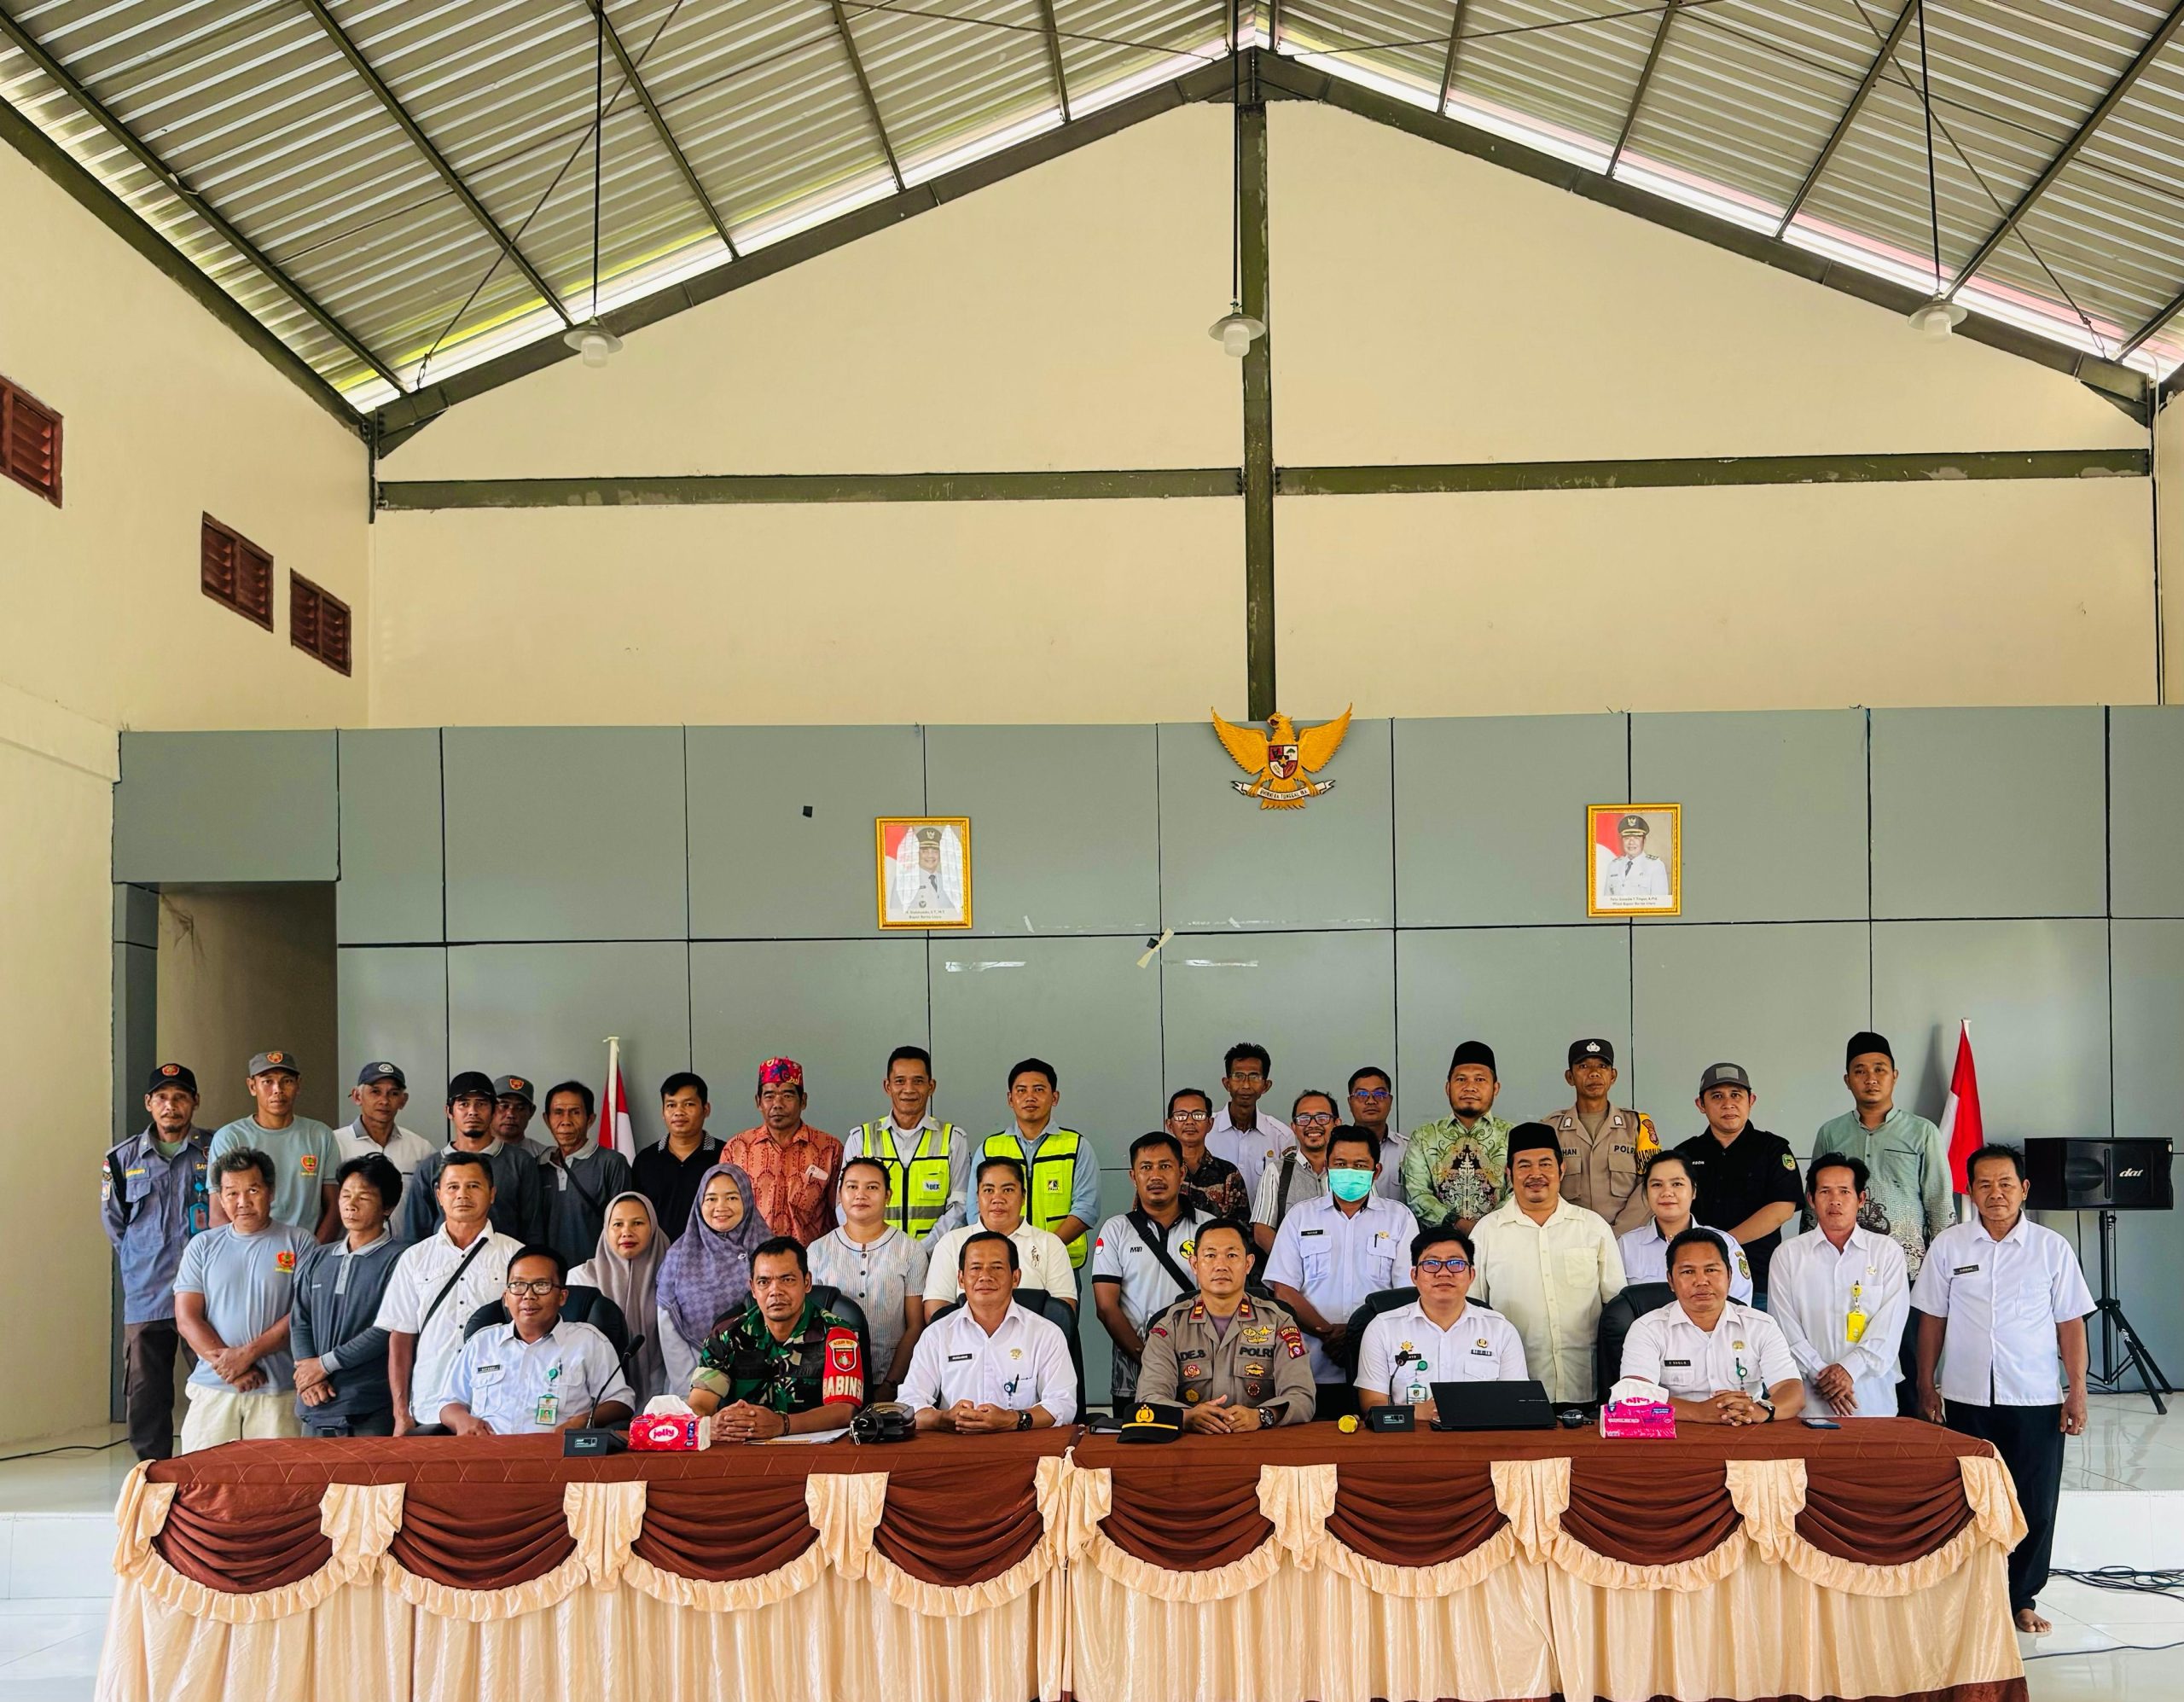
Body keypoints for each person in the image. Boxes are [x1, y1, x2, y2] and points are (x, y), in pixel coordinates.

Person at [1914, 1143, 2094, 1635]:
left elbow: (2070, 1324)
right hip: (1966, 1397)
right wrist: (1926, 1384)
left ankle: (2022, 1598)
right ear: (1970, 1192)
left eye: (2006, 1184)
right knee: (1968, 1501)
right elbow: (1932, 1320)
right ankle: (1970, 1594)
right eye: (1985, 1185)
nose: (1996, 1194)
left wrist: (2077, 1390)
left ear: (2024, 1189)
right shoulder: (1949, 1246)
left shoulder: (2051, 1248)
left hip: (2035, 1398)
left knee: (2035, 1502)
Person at [1815, 1031, 1952, 1414]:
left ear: (1895, 1076)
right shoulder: (1831, 1133)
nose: (1871, 1078)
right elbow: (1816, 1203)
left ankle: (1911, 1439)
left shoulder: (1922, 1132)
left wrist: (1942, 1273)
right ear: (1847, 1080)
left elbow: (1939, 1203)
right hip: (1842, 1270)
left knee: (1908, 1366)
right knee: (1846, 1359)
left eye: (1879, 1069)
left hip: (1909, 1274)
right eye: (1860, 1071)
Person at [1265, 1127, 1419, 1421]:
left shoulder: (1400, 1219)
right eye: (1340, 1164)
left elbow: (1405, 1295)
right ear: (1327, 1167)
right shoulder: (1300, 1217)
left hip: (1380, 1371)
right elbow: (1283, 1289)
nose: (1349, 1171)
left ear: (1376, 1172)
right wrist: (1327, 1332)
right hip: (1310, 1367)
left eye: (1360, 1165)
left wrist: (1356, 1335)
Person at [102, 1062, 213, 1460]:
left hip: (206, 1293)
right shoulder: (121, 1158)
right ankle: (153, 1474)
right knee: (146, 1393)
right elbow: (116, 1225)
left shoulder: (216, 1149)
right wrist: (143, 1260)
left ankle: (213, 1470)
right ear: (148, 1103)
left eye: (180, 1097)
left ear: (195, 1102)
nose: (171, 1105)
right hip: (147, 1295)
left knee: (215, 1387)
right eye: (163, 1097)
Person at [1470, 1123, 1626, 1403]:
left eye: (1545, 1164)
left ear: (1562, 1170)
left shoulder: (1592, 1227)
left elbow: (1616, 1307)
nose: (1536, 1174)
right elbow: (1473, 1310)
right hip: (1513, 1389)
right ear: (1509, 1173)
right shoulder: (1487, 1232)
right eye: (1524, 1166)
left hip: (1587, 1385)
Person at [172, 1149, 315, 1449]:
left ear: (271, 1192)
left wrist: (246, 1355)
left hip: (277, 1391)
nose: (242, 1202)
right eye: (232, 1193)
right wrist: (232, 1370)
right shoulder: (202, 1246)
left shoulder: (300, 1242)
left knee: (276, 1477)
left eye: (253, 1190)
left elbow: (303, 1313)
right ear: (220, 1198)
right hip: (213, 1389)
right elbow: (187, 1318)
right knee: (205, 1475)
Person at [375, 1151, 522, 1436]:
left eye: (473, 1186)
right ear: (439, 1195)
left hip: (498, 1406)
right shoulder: (415, 1258)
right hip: (430, 1404)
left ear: (492, 1194)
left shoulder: (516, 1256)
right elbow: (401, 1338)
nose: (462, 1194)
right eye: (453, 1187)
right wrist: (401, 1413)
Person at [1135, 1218, 1316, 1430]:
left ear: (1248, 1264)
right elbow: (1149, 1397)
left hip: (1259, 1442)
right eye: (1210, 1255)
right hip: (1190, 1443)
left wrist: (1261, 1416)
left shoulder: (1279, 1323)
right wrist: (1187, 1417)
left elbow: (1301, 1397)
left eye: (1232, 1255)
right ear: (1194, 1264)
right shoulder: (1169, 1327)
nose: (1221, 1265)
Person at [1768, 1153, 1908, 1419]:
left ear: (1861, 1199)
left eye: (1844, 1191)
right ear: (1811, 1199)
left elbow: (1890, 1325)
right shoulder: (1788, 1255)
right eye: (1825, 1191)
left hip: (1871, 1399)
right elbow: (1784, 1327)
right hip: (1809, 1400)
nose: (1835, 1200)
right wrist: (1822, 1374)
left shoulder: (1886, 1252)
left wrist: (1849, 1370)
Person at [439, 1246, 636, 1436]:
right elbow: (450, 1402)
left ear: (562, 1297)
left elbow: (621, 1400)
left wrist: (581, 1422)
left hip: (557, 1452)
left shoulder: (588, 1342)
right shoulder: (481, 1343)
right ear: (506, 1297)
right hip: (488, 1451)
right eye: (518, 1285)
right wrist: (462, 1420)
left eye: (541, 1286)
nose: (529, 1295)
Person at [1620, 1227, 1805, 1425]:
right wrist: (1698, 1411)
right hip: (1676, 1434)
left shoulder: (1761, 1326)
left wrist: (1761, 1411)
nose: (1701, 1281)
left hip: (1745, 1431)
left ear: (1729, 1276)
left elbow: (1791, 1389)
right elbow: (1633, 1396)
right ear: (1671, 1281)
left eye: (1711, 1270)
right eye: (1688, 1271)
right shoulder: (1648, 1329)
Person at [688, 1237, 865, 1438]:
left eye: (787, 1280)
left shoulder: (837, 1334)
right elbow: (699, 1403)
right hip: (742, 1447)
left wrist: (783, 1424)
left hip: (814, 1449)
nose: (775, 1291)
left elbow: (844, 1411)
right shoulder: (726, 1335)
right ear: (753, 1289)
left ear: (807, 1282)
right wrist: (709, 1424)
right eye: (764, 1282)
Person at [901, 1232, 1078, 1430]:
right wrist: (944, 1419)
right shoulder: (937, 1335)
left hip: (1023, 1444)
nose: (985, 1276)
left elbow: (1063, 1404)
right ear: (961, 1279)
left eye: (997, 1267)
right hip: (955, 1442)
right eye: (975, 1268)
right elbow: (910, 1403)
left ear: (1016, 1277)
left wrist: (1012, 1419)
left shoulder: (1046, 1334)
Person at [1356, 1229, 1528, 1418]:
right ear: (1414, 1276)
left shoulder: (1500, 1330)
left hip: (1480, 1434)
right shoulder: (1383, 1328)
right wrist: (1415, 1413)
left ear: (1471, 1275)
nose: (1444, 1273)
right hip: (1408, 1435)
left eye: (1456, 1264)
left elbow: (1516, 1403)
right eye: (1431, 1264)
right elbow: (1372, 1405)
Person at [290, 1153, 404, 1436]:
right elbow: (300, 1320)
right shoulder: (318, 1257)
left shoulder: (402, 1259)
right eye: (345, 1195)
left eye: (363, 1197)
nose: (351, 1204)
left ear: (387, 1207)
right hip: (314, 1401)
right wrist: (309, 1374)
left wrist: (323, 1365)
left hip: (370, 1405)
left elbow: (388, 1328)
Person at [1670, 1063, 1801, 1301]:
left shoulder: (1772, 1149)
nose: (1728, 1104)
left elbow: (1783, 1208)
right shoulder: (1685, 1154)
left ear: (1751, 1100)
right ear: (1701, 1105)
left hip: (1758, 1279)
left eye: (1736, 1095)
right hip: (1696, 1282)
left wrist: (1724, 1243)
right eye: (1717, 1096)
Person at [1091, 1133, 1206, 1402]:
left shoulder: (1208, 1228)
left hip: (1199, 1368)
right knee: (1134, 1429)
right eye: (1146, 1167)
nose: (1155, 1175)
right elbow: (1106, 1308)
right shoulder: (1116, 1230)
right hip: (1133, 1370)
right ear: (1134, 1176)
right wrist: (1149, 1360)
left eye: (1165, 1166)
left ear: (1181, 1172)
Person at [810, 1157, 929, 1401]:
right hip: (833, 1379)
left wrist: (891, 1384)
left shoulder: (910, 1250)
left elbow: (916, 1325)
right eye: (852, 1186)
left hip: (893, 1379)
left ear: (888, 1195)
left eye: (872, 1187)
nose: (860, 1195)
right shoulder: (817, 1251)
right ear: (840, 1194)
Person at [654, 1164, 770, 1397]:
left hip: (763, 1379)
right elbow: (669, 1328)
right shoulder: (680, 1256)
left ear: (747, 1200)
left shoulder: (770, 1250)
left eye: (732, 1198)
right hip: (693, 1377)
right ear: (700, 1202)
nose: (721, 1207)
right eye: (711, 1199)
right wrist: (695, 1390)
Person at [399, 1072, 547, 1246]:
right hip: (445, 1261)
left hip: (506, 1259)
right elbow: (415, 1236)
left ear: (493, 1110)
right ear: (449, 1111)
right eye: (464, 1104)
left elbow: (533, 1230)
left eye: (481, 1104)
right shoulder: (430, 1167)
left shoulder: (520, 1162)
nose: (473, 1112)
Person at [210, 1050, 340, 1240]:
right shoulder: (230, 1138)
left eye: (287, 1081)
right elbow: (217, 1215)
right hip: (249, 1249)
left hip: (307, 1250)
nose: (278, 1089)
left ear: (298, 1085)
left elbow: (334, 1208)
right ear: (252, 1086)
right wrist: (247, 1250)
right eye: (267, 1081)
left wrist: (313, 1251)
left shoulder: (320, 1135)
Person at [843, 1045, 969, 1241]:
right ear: (887, 1086)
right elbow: (844, 1204)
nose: (909, 1089)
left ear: (931, 1086)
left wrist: (923, 1250)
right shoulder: (861, 1138)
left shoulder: (953, 1139)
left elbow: (960, 1206)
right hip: (875, 1255)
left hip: (935, 1255)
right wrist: (879, 1248)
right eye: (900, 1081)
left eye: (918, 1081)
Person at [979, 1059, 1098, 1269]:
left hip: (1060, 1263)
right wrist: (1008, 1253)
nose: (1030, 1097)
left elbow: (1086, 1209)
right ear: (1010, 1099)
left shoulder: (1077, 1146)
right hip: (1002, 1266)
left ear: (1055, 1097)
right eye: (1021, 1091)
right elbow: (976, 1210)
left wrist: (1045, 1251)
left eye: (1039, 1090)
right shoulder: (989, 1149)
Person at [924, 1157, 1077, 1310]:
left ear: (1023, 1196)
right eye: (988, 1190)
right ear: (977, 1197)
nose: (997, 1199)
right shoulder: (950, 1243)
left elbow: (1062, 1312)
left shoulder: (1050, 1244)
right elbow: (936, 1310)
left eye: (1008, 1190)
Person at [1541, 1038, 1657, 1234]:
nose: (1594, 1073)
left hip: (1627, 1239)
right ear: (1570, 1077)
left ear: (1613, 1076)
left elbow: (1652, 1183)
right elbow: (1543, 1186)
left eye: (1602, 1066)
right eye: (1583, 1066)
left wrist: (1617, 1234)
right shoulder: (1550, 1129)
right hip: (1569, 1237)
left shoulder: (1637, 1125)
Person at [723, 1058, 844, 1244]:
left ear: (803, 1101)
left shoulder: (829, 1149)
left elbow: (842, 1213)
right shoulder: (737, 1149)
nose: (777, 1104)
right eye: (769, 1096)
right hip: (752, 1257)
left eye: (787, 1096)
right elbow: (724, 1212)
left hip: (810, 1258)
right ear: (758, 1102)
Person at [568, 1191, 670, 1406]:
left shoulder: (674, 1276)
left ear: (653, 1227)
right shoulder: (580, 1280)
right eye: (617, 1224)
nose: (627, 1232)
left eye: (637, 1223)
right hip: (597, 1399)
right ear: (606, 1230)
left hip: (665, 1394)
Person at [1403, 1041, 1513, 1233]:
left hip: (1500, 1241)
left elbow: (1519, 1193)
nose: (1470, 1087)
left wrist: (1485, 1230)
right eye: (1461, 1079)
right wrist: (1457, 1224)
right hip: (1438, 1245)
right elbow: (1417, 1195)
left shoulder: (1514, 1135)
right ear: (1448, 1088)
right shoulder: (1424, 1137)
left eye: (1480, 1079)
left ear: (1496, 1088)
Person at [1618, 1151, 1753, 1301]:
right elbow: (1618, 1305)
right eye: (1657, 1185)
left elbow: (1739, 1304)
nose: (1667, 1192)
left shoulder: (1725, 1243)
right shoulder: (1626, 1245)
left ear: (1693, 1191)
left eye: (1677, 1184)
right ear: (1646, 1193)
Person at [536, 1080, 636, 1272]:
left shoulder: (611, 1163)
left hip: (598, 1274)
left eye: (575, 1112)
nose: (566, 1120)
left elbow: (625, 1225)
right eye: (558, 1112)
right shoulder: (538, 1167)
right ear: (547, 1119)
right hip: (549, 1277)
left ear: (590, 1119)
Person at [634, 1072, 725, 1241]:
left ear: (706, 1109)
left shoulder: (726, 1155)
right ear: (663, 1112)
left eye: (688, 1104)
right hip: (659, 1253)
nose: (678, 1112)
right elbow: (636, 1214)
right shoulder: (645, 1160)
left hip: (713, 1253)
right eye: (671, 1105)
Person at [1252, 1091, 1339, 1251]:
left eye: (1322, 1117)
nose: (1312, 1125)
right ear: (1293, 1127)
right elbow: (1262, 1231)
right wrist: (1291, 1262)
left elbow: (1371, 1219)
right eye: (1304, 1119)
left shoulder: (1353, 1170)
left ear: (1336, 1124)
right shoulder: (1277, 1171)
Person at [1207, 1043, 1293, 1194]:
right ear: (1227, 1084)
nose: (1246, 1085)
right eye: (1238, 1076)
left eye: (1254, 1077)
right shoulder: (1206, 1130)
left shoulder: (1282, 1136)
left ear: (1266, 1086)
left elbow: (1287, 1192)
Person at [332, 1060, 436, 1176]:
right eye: (375, 1092)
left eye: (394, 1093)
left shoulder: (421, 1150)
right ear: (357, 1096)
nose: (384, 1101)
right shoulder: (334, 1144)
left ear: (403, 1101)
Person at [1169, 1089, 1250, 1221]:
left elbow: (1241, 1227)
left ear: (1210, 1124)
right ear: (1169, 1125)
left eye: (1198, 1115)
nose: (1189, 1122)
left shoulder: (1229, 1174)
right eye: (1181, 1116)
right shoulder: (1159, 1171)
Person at [1346, 1066, 1409, 1200]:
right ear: (1350, 1102)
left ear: (1390, 1101)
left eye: (1379, 1094)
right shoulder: (1337, 1151)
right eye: (1362, 1094)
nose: (1371, 1101)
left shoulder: (1409, 1150)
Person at [1602, 812, 1670, 903]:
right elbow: (1607, 902)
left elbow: (1660, 904)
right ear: (1622, 840)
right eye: (1627, 838)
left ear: (1644, 841)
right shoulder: (1613, 866)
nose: (1631, 843)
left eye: (1636, 838)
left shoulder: (1655, 866)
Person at [492, 1075, 542, 1155]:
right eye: (504, 1106)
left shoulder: (543, 1157)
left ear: (531, 1112)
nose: (511, 1114)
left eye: (520, 1108)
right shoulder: (472, 1153)